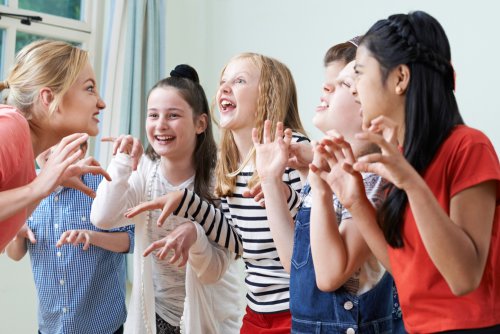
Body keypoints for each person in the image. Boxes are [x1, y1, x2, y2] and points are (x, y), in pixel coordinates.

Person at [312, 11, 500, 333]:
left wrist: (410, 181)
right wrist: (356, 202)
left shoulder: (469, 147)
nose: (354, 89)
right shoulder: (397, 159)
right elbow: (405, 271)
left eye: (359, 73)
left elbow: (464, 278)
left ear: (400, 78)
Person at [126, 53, 309, 333]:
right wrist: (187, 202)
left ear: (268, 95)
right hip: (258, 311)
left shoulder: (290, 149)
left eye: (239, 81)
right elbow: (236, 241)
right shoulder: (228, 163)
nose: (224, 88)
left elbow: (313, 234)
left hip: (299, 309)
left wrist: (284, 195)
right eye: (223, 81)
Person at [253, 39, 404, 334]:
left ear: (368, 105)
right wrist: (271, 180)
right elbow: (297, 268)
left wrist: (319, 183)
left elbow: (329, 276)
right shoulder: (329, 171)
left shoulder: (374, 178)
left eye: (342, 84)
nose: (325, 89)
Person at [91, 64, 242, 334]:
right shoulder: (146, 170)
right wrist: (122, 160)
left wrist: (194, 234)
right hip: (156, 316)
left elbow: (213, 271)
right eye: (153, 115)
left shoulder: (221, 176)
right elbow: (103, 218)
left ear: (200, 123)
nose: (160, 124)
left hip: (210, 319)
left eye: (173, 115)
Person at [6, 142, 134, 334]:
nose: (48, 149)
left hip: (102, 325)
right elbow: (14, 255)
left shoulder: (102, 185)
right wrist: (17, 234)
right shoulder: (27, 190)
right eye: (46, 139)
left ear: (80, 149)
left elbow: (132, 240)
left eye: (57, 140)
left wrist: (92, 236)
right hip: (50, 325)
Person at [0, 39, 110, 252]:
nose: (101, 103)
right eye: (90, 88)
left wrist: (45, 186)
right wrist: (37, 187)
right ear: (49, 98)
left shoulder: (25, 159)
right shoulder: (10, 127)